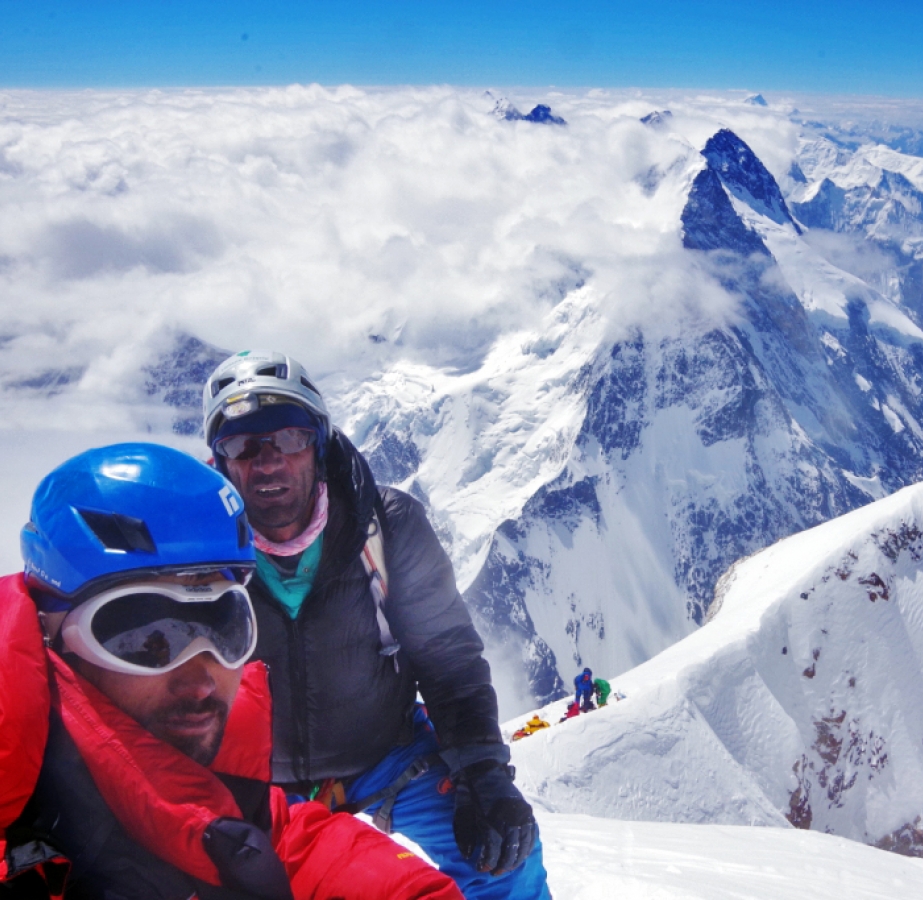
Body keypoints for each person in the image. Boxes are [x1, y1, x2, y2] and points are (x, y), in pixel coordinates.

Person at [1, 443, 462, 899]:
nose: (201, 681)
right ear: (52, 638)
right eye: (145, 639)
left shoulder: (221, 786)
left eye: (225, 627)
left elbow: (287, 844)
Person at [201, 350, 549, 900]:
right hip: (256, 781)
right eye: (244, 446)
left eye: (288, 439)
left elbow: (448, 659)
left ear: (318, 442)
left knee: (506, 860)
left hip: (386, 753)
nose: (268, 462)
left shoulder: (386, 526)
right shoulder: (195, 555)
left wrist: (483, 774)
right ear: (221, 462)